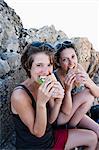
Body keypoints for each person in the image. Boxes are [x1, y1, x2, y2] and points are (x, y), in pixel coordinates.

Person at [11, 41, 97, 150]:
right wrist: (41, 103)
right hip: (38, 146)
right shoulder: (19, 95)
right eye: (39, 65)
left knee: (92, 138)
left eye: (49, 65)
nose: (46, 71)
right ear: (28, 66)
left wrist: (58, 100)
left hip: (50, 137)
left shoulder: (43, 84)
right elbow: (38, 133)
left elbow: (51, 120)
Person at [54, 40, 99, 146]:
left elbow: (97, 93)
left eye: (73, 57)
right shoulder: (55, 78)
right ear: (58, 62)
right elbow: (62, 111)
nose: (71, 63)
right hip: (59, 118)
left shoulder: (78, 68)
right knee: (88, 95)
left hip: (74, 115)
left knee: (98, 131)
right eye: (65, 60)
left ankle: (73, 127)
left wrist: (88, 81)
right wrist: (67, 89)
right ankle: (71, 129)